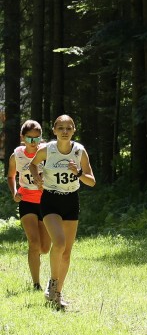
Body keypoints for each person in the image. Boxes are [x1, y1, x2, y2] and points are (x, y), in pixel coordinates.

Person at [29, 114, 96, 309]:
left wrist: (78, 173)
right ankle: (52, 282)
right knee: (58, 242)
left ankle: (57, 295)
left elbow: (91, 181)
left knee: (66, 253)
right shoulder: (46, 149)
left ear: (74, 130)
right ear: (54, 131)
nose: (65, 132)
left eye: (69, 128)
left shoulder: (79, 151)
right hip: (50, 200)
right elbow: (33, 164)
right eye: (61, 128)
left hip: (71, 201)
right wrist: (36, 178)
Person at [7, 120, 51, 290]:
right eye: (29, 139)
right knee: (33, 243)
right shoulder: (16, 155)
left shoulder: (48, 151)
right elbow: (11, 176)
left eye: (36, 139)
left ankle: (35, 256)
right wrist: (14, 192)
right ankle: (36, 284)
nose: (33, 143)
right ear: (22, 138)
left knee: (45, 248)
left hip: (46, 202)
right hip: (26, 201)